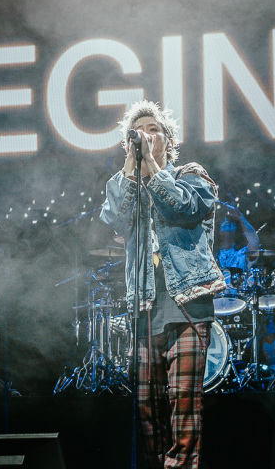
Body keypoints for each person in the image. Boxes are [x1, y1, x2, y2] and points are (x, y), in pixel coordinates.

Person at [100, 100, 224, 469]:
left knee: (184, 401)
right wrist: (132, 166)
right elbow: (114, 218)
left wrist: (152, 167)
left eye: (155, 130)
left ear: (169, 141)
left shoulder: (191, 174)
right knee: (146, 406)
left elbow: (181, 208)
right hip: (145, 306)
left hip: (187, 303)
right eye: (139, 133)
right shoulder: (124, 184)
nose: (147, 135)